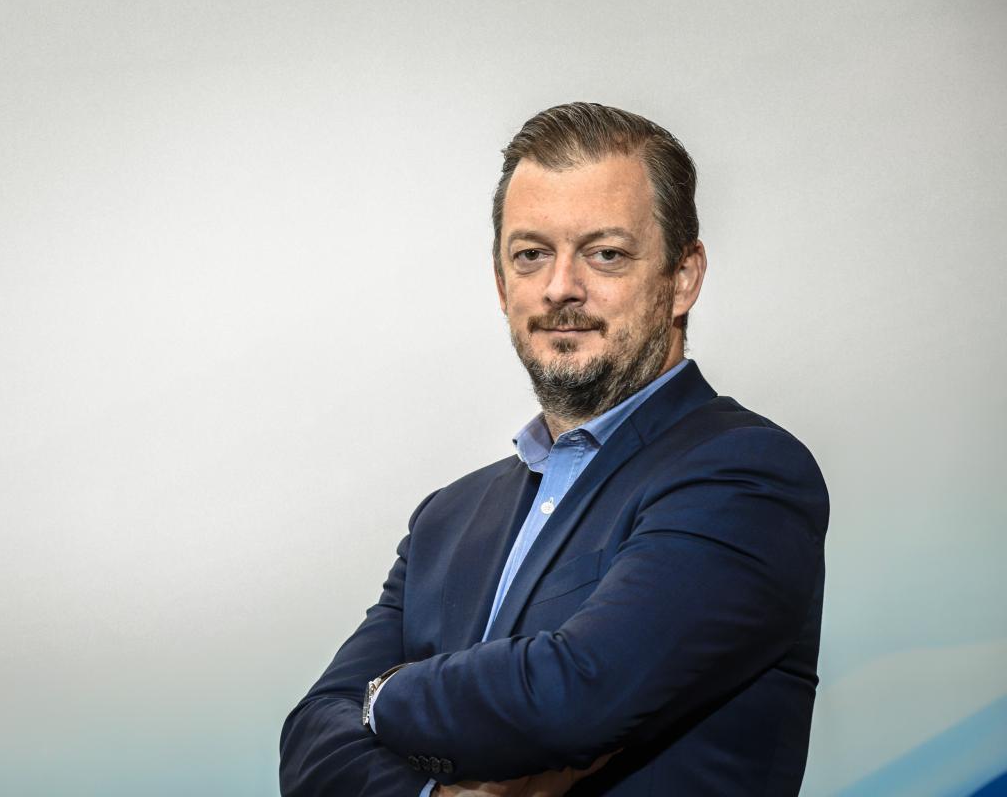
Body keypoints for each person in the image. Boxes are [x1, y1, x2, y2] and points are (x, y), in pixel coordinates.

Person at [279, 103, 829, 797]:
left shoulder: (745, 476)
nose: (561, 287)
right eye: (531, 254)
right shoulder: (446, 521)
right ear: (501, 282)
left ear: (682, 278)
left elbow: (572, 698)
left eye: (605, 253)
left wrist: (380, 698)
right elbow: (307, 745)